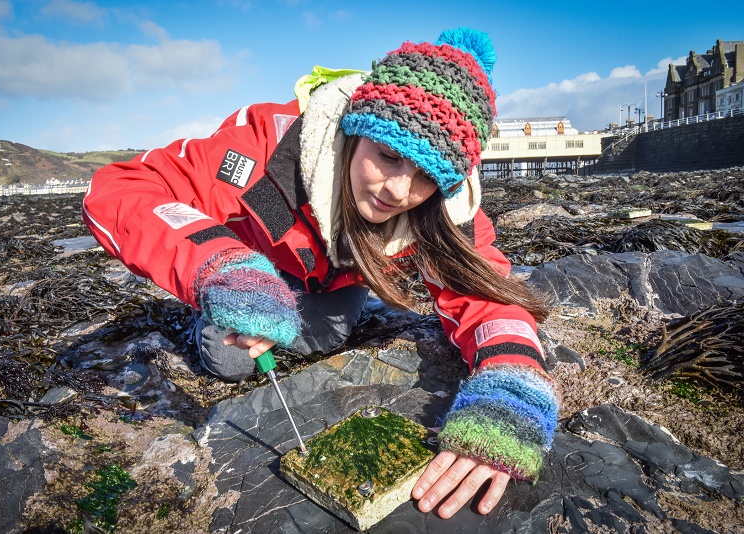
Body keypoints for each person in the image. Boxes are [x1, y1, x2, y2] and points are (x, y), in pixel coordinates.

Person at [82, 28, 559, 519]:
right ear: (355, 131)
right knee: (228, 362)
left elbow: (487, 294)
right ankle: (228, 303)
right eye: (388, 156)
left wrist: (513, 384)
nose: (397, 191)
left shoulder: (446, 210)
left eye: (426, 178)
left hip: (334, 286)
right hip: (249, 271)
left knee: (331, 332)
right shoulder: (265, 145)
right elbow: (124, 188)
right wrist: (221, 267)